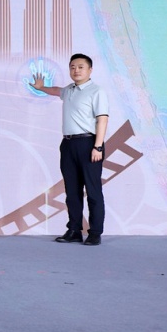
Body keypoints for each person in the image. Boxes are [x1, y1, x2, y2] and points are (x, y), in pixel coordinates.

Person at [29, 53, 109, 245]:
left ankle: (95, 232)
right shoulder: (70, 90)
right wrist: (41, 88)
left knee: (93, 190)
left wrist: (98, 146)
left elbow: (102, 119)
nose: (76, 70)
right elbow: (57, 90)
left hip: (89, 143)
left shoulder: (97, 91)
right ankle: (74, 230)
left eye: (80, 67)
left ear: (90, 70)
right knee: (72, 191)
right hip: (68, 144)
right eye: (72, 67)